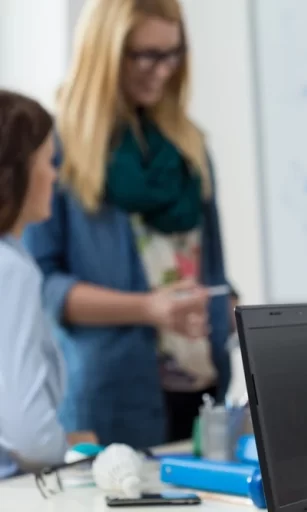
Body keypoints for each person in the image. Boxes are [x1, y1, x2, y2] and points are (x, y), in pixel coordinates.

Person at [23, 0, 233, 448]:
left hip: (201, 388)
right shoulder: (57, 153)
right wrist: (148, 308)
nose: (162, 70)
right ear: (105, 54)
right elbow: (43, 287)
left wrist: (227, 304)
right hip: (111, 396)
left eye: (172, 53)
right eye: (144, 55)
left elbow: (211, 268)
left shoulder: (190, 148)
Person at [0, 90, 98, 478]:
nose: (55, 175)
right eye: (48, 161)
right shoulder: (11, 270)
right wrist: (68, 445)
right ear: (17, 172)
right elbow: (29, 435)